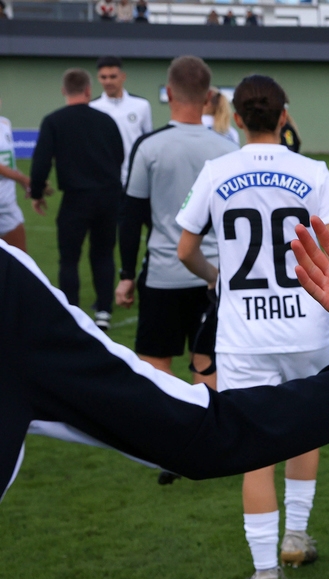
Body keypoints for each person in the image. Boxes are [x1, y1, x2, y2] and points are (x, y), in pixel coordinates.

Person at [1, 235, 329, 504]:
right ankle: (292, 540)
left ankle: (277, 559)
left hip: (245, 326)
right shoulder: (9, 287)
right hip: (295, 325)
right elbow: (206, 435)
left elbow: (187, 246)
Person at [176, 74, 329, 579]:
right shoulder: (313, 171)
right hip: (305, 326)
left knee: (254, 448)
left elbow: (185, 249)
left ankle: (264, 576)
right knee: (306, 431)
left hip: (243, 335)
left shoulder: (217, 170)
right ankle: (296, 538)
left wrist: (219, 278)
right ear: (284, 117)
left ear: (236, 117)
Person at [115, 56, 237, 404]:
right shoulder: (228, 149)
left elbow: (131, 216)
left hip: (163, 276)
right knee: (208, 365)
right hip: (214, 278)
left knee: (154, 365)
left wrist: (126, 274)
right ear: (208, 96)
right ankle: (207, 446)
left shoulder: (149, 147)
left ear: (168, 93)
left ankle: (172, 446)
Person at [29, 68, 123, 332]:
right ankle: (103, 311)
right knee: (103, 254)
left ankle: (71, 311)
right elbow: (119, 156)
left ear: (63, 91)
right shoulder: (106, 120)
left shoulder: (54, 121)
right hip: (107, 195)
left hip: (76, 198)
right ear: (89, 90)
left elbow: (41, 162)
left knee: (69, 258)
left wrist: (36, 193)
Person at [90, 56, 153, 187]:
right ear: (98, 78)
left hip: (135, 176)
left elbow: (148, 142)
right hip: (103, 179)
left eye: (113, 77)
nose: (108, 81)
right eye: (103, 77)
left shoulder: (141, 105)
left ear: (123, 77)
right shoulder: (92, 108)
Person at [0, 99, 43, 253]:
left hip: (6, 204)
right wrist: (24, 179)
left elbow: (7, 162)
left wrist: (23, 182)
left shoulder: (4, 124)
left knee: (19, 259)